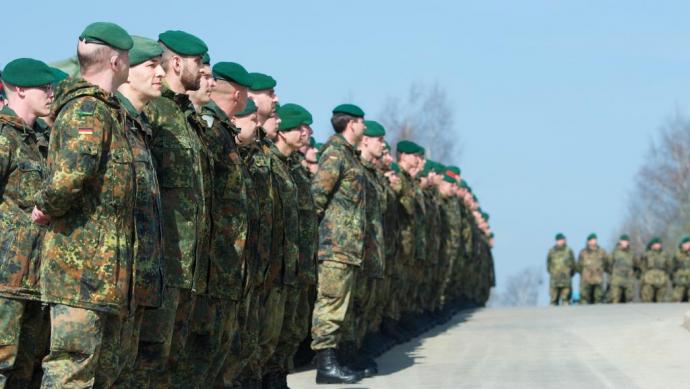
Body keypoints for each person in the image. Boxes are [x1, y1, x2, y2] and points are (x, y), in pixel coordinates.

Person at [31, 22, 136, 387]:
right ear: (115, 61)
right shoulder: (87, 109)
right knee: (71, 369)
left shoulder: (109, 111)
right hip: (80, 270)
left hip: (105, 271)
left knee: (100, 372)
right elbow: (70, 177)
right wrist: (44, 206)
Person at [135, 29, 211, 388]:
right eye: (198, 62)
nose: (203, 69)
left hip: (188, 262)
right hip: (163, 261)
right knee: (148, 358)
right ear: (177, 63)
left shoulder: (184, 116)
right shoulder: (156, 110)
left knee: (173, 358)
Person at [0, 58, 57, 388]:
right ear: (19, 89)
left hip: (38, 277)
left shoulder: (43, 141)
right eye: (44, 87)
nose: (51, 94)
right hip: (6, 278)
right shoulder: (5, 137)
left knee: (28, 369)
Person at [114, 35, 166, 386]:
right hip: (107, 272)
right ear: (127, 72)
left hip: (138, 272)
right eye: (151, 65)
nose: (161, 73)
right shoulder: (112, 119)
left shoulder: (141, 125)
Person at [199, 61, 254, 387]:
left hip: (227, 258)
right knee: (203, 349)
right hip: (211, 258)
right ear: (238, 93)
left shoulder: (221, 129)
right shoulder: (208, 125)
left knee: (222, 345)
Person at [310, 104, 368, 384]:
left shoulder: (350, 156)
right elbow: (317, 197)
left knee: (340, 307)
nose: (365, 129)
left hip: (348, 247)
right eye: (362, 123)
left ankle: (337, 360)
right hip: (334, 246)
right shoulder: (335, 154)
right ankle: (325, 366)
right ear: (352, 124)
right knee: (330, 305)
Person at [577, 233, 608, 304]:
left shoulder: (602, 252)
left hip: (598, 280)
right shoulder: (583, 252)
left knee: (598, 300)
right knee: (584, 301)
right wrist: (584, 274)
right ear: (588, 242)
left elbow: (606, 264)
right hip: (586, 281)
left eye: (595, 240)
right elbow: (579, 266)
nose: (594, 241)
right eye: (592, 240)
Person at [606, 234, 637, 303]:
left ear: (628, 242)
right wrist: (612, 275)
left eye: (626, 241)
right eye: (623, 241)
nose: (625, 243)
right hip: (617, 279)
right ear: (620, 242)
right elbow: (608, 265)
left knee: (629, 299)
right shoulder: (614, 252)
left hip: (628, 280)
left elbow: (636, 265)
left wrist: (632, 274)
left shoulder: (631, 253)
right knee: (615, 299)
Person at [640, 237, 672, 303]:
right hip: (649, 279)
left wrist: (667, 276)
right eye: (656, 244)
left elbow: (669, 266)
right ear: (652, 245)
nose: (658, 245)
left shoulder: (665, 255)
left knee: (661, 300)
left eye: (659, 244)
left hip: (661, 279)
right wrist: (643, 276)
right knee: (646, 299)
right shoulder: (646, 254)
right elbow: (642, 266)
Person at [547, 233, 576, 305]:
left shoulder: (569, 251)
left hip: (566, 281)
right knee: (553, 301)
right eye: (559, 240)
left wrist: (570, 274)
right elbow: (548, 264)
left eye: (562, 240)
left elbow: (573, 265)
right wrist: (553, 273)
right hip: (554, 281)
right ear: (556, 241)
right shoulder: (551, 251)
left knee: (566, 301)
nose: (560, 242)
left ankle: (566, 316)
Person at [671, 236, 690, 302]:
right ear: (682, 244)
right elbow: (672, 267)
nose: (688, 245)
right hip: (680, 280)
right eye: (687, 244)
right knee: (676, 299)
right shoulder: (677, 254)